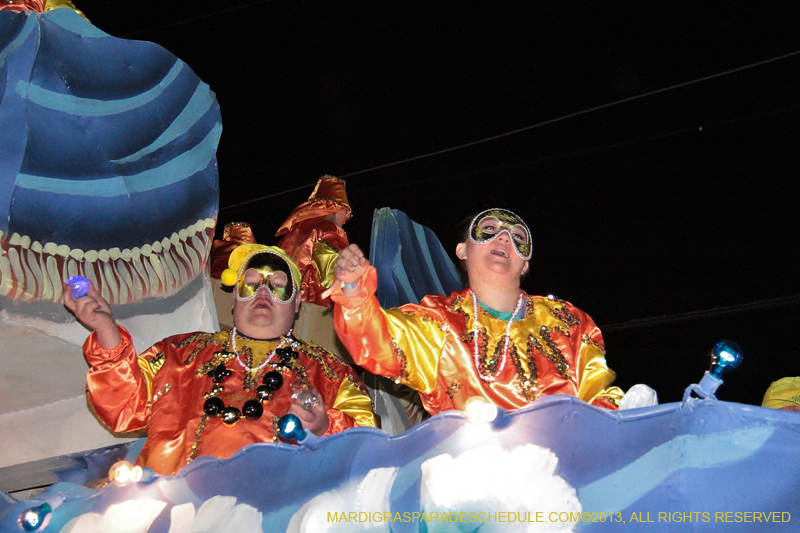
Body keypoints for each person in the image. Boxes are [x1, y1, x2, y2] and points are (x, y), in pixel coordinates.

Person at [65, 244, 376, 476]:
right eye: (251, 282)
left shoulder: (330, 373)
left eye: (278, 285)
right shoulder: (179, 354)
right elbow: (122, 407)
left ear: (296, 304)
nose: (263, 292)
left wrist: (323, 427)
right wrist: (107, 331)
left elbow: (369, 448)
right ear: (234, 299)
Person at [329, 207, 624, 416]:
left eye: (517, 236)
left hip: (561, 473)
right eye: (490, 230)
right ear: (462, 250)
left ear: (525, 264)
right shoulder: (438, 322)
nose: (504, 237)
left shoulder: (568, 323)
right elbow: (377, 341)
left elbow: (600, 397)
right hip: (468, 476)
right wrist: (354, 289)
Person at [276, 176, 352, 307]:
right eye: (345, 212)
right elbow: (331, 276)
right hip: (311, 303)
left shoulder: (299, 228)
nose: (345, 219)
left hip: (283, 297)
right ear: (334, 209)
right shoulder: (330, 230)